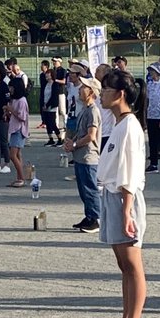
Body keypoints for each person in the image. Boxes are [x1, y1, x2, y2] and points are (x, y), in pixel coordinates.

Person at [96, 70, 147, 318]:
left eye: (106, 90)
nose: (102, 94)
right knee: (123, 265)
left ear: (120, 94)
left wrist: (127, 210)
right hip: (113, 196)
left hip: (124, 197)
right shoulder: (119, 124)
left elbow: (129, 171)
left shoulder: (129, 126)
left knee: (132, 264)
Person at [66, 73, 103, 233]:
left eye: (84, 88)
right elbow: (80, 132)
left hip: (89, 156)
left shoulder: (93, 111)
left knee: (90, 188)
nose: (80, 89)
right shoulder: (85, 110)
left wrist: (74, 144)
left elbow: (91, 135)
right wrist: (70, 142)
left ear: (92, 93)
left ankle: (96, 218)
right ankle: (89, 216)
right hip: (80, 155)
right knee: (83, 189)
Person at [6, 77, 30, 187]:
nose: (10, 89)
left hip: (19, 130)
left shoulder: (22, 101)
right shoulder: (14, 100)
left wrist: (11, 110)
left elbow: (22, 117)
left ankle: (21, 177)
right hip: (14, 128)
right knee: (18, 154)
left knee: (12, 155)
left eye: (11, 87)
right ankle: (20, 176)